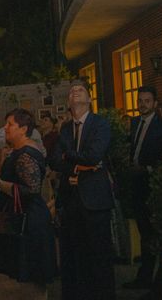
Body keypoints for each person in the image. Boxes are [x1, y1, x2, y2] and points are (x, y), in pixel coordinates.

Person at [49, 80, 115, 300]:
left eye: (80, 90)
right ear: (68, 102)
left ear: (89, 99)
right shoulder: (66, 128)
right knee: (73, 256)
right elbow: (55, 160)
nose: (75, 93)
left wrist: (70, 157)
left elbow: (95, 154)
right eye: (71, 92)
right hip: (71, 199)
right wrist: (79, 166)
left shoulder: (100, 124)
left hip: (95, 200)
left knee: (99, 257)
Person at [0, 108, 56, 296]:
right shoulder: (16, 150)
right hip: (25, 220)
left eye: (10, 124)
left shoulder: (26, 153)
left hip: (31, 222)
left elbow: (31, 189)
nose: (5, 128)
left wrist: (0, 184)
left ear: (23, 129)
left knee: (34, 277)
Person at [123, 86, 162, 297]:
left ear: (155, 103)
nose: (142, 104)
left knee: (154, 236)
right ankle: (143, 277)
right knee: (144, 233)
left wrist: (146, 169)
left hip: (153, 187)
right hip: (137, 187)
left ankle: (156, 283)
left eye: (147, 101)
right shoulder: (135, 123)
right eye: (140, 100)